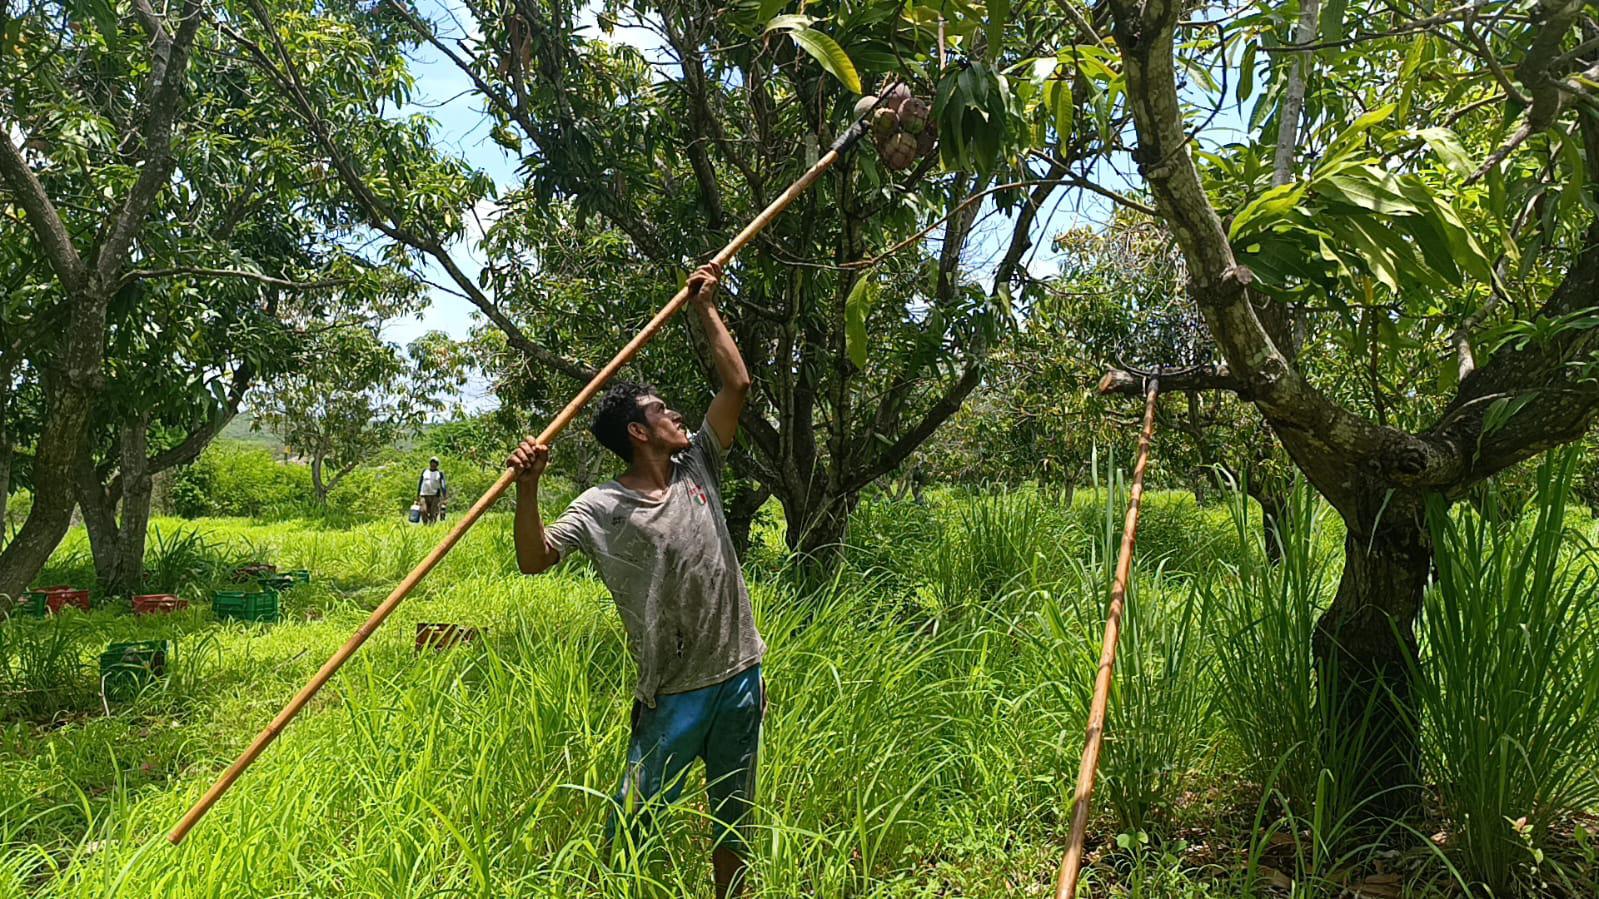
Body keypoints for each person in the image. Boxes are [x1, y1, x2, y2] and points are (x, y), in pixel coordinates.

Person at [507, 261, 763, 899]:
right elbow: (535, 558)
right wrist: (528, 487)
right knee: (633, 823)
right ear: (637, 433)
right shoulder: (600, 506)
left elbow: (738, 384)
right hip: (673, 692)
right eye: (661, 411)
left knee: (734, 821)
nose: (677, 415)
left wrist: (703, 306)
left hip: (738, 672)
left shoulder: (697, 465)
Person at [417, 457, 447, 524]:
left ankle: (431, 525)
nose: (433, 464)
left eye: (435, 463)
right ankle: (425, 524)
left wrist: (445, 497)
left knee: (433, 512)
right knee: (423, 510)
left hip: (435, 495)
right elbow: (420, 483)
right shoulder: (425, 471)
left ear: (437, 464)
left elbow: (443, 485)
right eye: (432, 463)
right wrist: (417, 495)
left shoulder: (439, 473)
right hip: (424, 495)